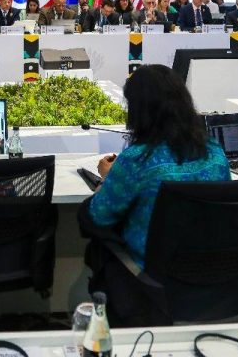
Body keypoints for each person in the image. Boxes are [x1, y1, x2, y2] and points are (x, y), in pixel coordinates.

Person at [86, 65, 229, 321]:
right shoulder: (215, 152)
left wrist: (108, 179)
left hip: (150, 282)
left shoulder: (137, 160)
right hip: (215, 279)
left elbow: (99, 216)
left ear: (138, 111)